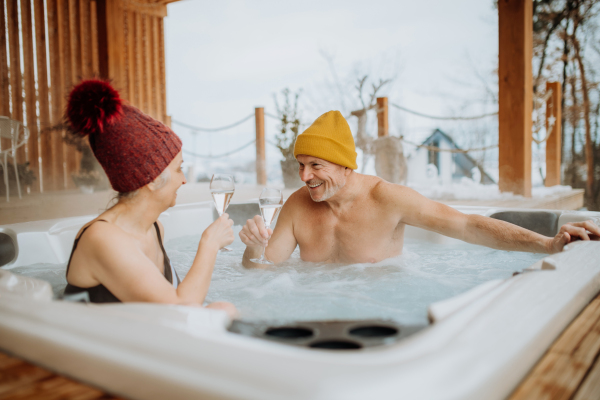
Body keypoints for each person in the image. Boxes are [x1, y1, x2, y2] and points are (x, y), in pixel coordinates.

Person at [240, 110, 600, 266]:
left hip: (383, 320)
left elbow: (467, 225)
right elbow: (264, 272)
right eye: (301, 166)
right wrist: (253, 249)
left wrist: (547, 244)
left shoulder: (388, 199)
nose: (304, 177)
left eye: (316, 165)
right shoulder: (297, 205)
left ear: (348, 166)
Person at [63, 79, 235, 316]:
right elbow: (182, 309)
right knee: (223, 312)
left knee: (224, 310)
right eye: (178, 169)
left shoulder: (154, 229)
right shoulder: (103, 238)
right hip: (96, 349)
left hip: (135, 339)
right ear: (153, 178)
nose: (184, 180)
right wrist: (210, 244)